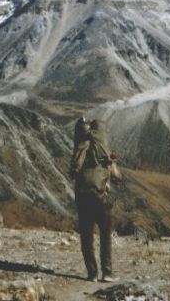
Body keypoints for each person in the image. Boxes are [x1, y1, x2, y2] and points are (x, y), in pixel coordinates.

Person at [69, 117, 121, 282]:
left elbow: (72, 172)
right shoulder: (104, 153)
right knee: (105, 235)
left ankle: (92, 273)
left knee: (86, 236)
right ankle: (107, 272)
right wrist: (113, 164)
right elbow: (118, 177)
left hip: (83, 196)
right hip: (101, 197)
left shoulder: (80, 149)